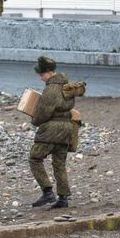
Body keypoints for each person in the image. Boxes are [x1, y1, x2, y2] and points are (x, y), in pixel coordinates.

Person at [29, 56, 74, 209]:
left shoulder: (51, 89)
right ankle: (63, 198)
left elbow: (43, 112)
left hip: (52, 129)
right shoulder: (67, 85)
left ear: (48, 73)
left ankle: (47, 191)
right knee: (59, 162)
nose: (41, 78)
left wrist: (34, 121)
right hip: (68, 127)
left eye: (41, 75)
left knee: (35, 158)